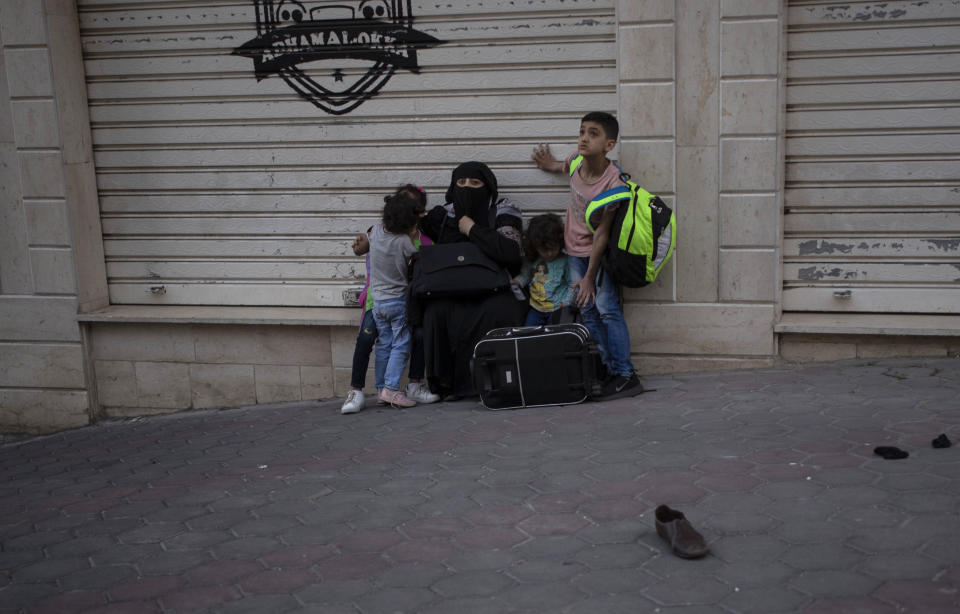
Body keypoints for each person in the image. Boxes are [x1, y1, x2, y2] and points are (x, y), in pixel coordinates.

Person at [532, 111, 642, 399]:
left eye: (593, 133)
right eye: (582, 131)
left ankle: (626, 374)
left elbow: (603, 235)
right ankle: (606, 371)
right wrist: (549, 164)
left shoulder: (613, 183)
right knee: (589, 312)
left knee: (607, 310)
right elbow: (564, 166)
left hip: (597, 257)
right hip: (573, 251)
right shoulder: (577, 160)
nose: (584, 138)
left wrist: (590, 277)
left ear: (609, 144)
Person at [417, 161, 525, 400]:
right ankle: (446, 387)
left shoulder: (503, 211)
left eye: (475, 183)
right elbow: (405, 223)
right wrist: (372, 236)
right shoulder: (443, 215)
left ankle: (495, 382)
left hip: (493, 289)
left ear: (488, 188)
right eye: (461, 183)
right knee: (435, 312)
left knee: (501, 308)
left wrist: (473, 229)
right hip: (451, 291)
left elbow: (510, 252)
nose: (467, 188)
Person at [341, 185, 440, 415]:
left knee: (384, 345)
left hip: (379, 304)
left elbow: (365, 245)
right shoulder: (405, 242)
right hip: (397, 302)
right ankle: (392, 389)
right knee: (400, 345)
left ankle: (380, 390)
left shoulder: (375, 232)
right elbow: (416, 266)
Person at [512, 213, 572, 327]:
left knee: (553, 336)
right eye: (544, 250)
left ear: (560, 243)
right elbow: (526, 275)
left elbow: (572, 284)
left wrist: (566, 303)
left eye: (553, 248)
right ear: (535, 246)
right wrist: (517, 281)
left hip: (557, 308)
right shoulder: (532, 260)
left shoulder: (565, 261)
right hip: (536, 309)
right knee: (529, 333)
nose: (549, 253)